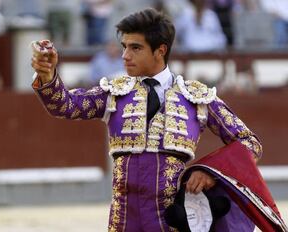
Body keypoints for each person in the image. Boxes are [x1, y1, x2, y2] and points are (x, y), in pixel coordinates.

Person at [31, 8, 267, 231]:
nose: (125, 56)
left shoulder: (196, 97)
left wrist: (210, 173)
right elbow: (65, 105)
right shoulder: (114, 91)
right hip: (123, 215)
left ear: (160, 50)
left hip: (169, 217)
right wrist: (47, 75)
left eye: (135, 48)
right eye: (124, 47)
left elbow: (249, 142)